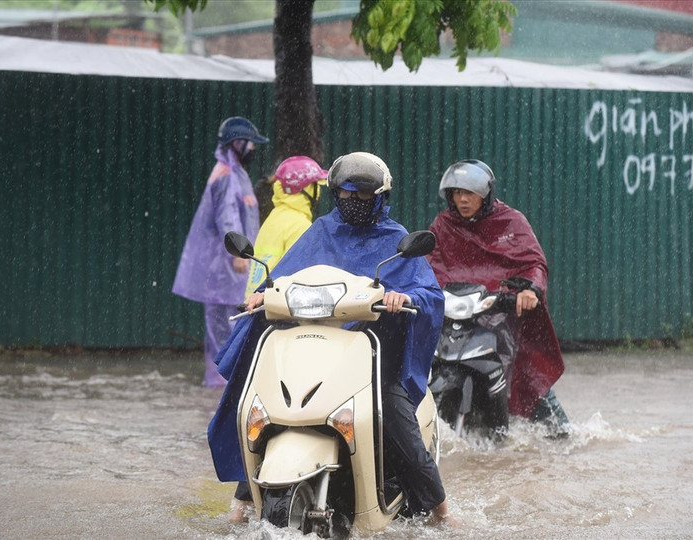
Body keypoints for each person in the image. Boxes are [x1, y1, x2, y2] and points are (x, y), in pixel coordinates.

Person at [207, 152, 455, 526]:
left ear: (381, 197)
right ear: (335, 194)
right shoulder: (321, 232)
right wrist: (262, 294)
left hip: (371, 355)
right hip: (315, 349)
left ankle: (441, 512)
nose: (354, 202)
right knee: (267, 408)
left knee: (393, 415)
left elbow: (429, 293)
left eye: (363, 195)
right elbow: (282, 276)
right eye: (346, 194)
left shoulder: (394, 239)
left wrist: (404, 297)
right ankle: (242, 505)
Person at [427, 159, 569, 435]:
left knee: (527, 379)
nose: (463, 199)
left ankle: (563, 435)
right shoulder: (443, 226)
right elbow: (427, 265)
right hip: (456, 321)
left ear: (486, 194)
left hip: (501, 320)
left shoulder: (510, 221)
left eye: (470, 193)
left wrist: (530, 290)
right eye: (457, 193)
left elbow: (534, 264)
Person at [172, 116, 269, 388]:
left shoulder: (236, 173)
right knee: (225, 327)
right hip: (225, 268)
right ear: (237, 143)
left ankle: (227, 382)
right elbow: (228, 217)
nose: (253, 149)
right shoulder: (226, 176)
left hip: (229, 267)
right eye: (250, 143)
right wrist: (236, 253)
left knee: (228, 326)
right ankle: (221, 386)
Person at [245, 155, 327, 296]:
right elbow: (299, 277)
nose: (319, 192)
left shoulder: (275, 216)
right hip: (276, 303)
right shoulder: (300, 225)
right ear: (304, 188)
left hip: (256, 300)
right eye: (315, 185)